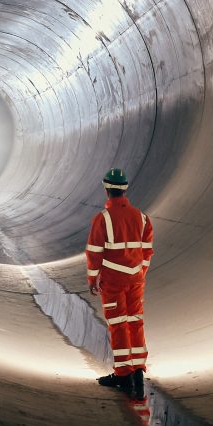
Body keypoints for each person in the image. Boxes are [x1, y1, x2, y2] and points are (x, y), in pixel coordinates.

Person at [86, 167, 153, 400]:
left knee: (118, 325)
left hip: (113, 281)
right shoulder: (142, 218)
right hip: (135, 279)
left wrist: (92, 277)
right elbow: (146, 251)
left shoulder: (102, 219)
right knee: (135, 322)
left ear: (107, 189)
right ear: (125, 189)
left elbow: (94, 251)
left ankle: (123, 375)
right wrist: (139, 272)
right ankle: (138, 373)